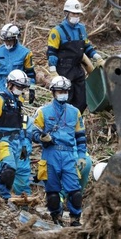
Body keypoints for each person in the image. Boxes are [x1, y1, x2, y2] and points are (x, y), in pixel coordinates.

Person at [32, 76, 87, 227]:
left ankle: (75, 219)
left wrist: (81, 155)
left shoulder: (75, 112)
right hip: (50, 154)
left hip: (69, 154)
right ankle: (56, 217)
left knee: (75, 191)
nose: (62, 93)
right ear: (53, 92)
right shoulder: (43, 111)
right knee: (53, 194)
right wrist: (42, 138)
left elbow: (80, 136)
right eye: (59, 91)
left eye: (65, 91)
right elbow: (33, 132)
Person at [47, 0, 104, 114]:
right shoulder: (57, 31)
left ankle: (76, 121)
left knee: (82, 99)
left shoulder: (81, 29)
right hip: (63, 69)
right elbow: (51, 52)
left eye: (78, 14)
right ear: (66, 13)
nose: (76, 16)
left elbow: (87, 47)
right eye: (73, 13)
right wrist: (53, 71)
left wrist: (97, 57)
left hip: (77, 69)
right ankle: (63, 123)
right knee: (66, 98)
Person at [0, 69, 30, 201]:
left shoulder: (17, 102)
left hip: (16, 140)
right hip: (3, 139)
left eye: (23, 88)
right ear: (10, 84)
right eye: (19, 87)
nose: (20, 90)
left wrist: (23, 145)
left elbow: (20, 125)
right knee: (9, 169)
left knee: (12, 171)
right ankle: (4, 196)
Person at [0, 24, 36, 104]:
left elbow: (30, 73)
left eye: (9, 40)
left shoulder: (25, 53)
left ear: (15, 38)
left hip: (17, 87)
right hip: (0, 86)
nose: (7, 43)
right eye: (5, 41)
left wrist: (32, 89)